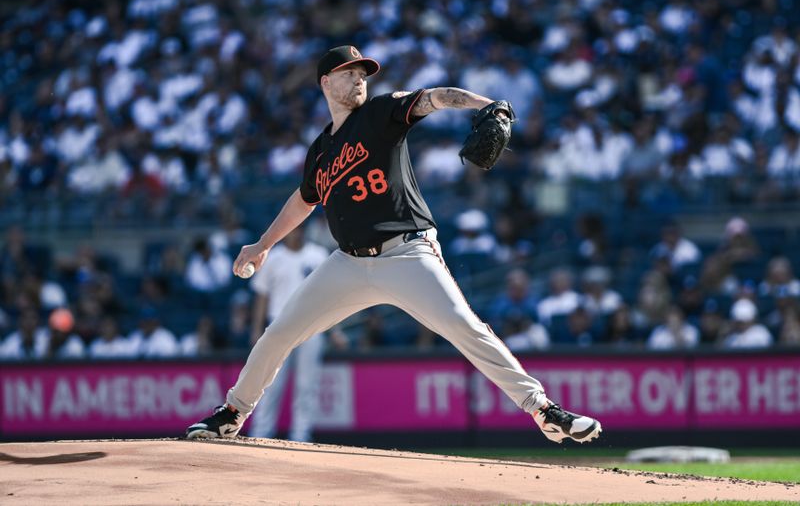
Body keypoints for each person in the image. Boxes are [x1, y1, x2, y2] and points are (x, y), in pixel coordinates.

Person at [185, 45, 601, 444]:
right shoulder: (321, 149)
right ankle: (233, 413)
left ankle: (543, 411)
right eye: (350, 74)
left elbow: (436, 97)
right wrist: (262, 244)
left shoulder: (382, 112)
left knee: (466, 328)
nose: (360, 79)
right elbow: (303, 200)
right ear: (326, 82)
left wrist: (486, 104)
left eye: (363, 73)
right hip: (347, 263)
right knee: (278, 334)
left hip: (407, 253)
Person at [248, 226, 331, 442]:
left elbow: (329, 295)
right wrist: (257, 329)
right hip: (279, 326)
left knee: (307, 385)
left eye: (301, 229)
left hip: (311, 325)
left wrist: (334, 328)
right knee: (270, 384)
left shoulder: (318, 255)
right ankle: (261, 434)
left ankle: (301, 436)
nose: (297, 233)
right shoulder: (273, 258)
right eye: (293, 230)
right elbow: (262, 296)